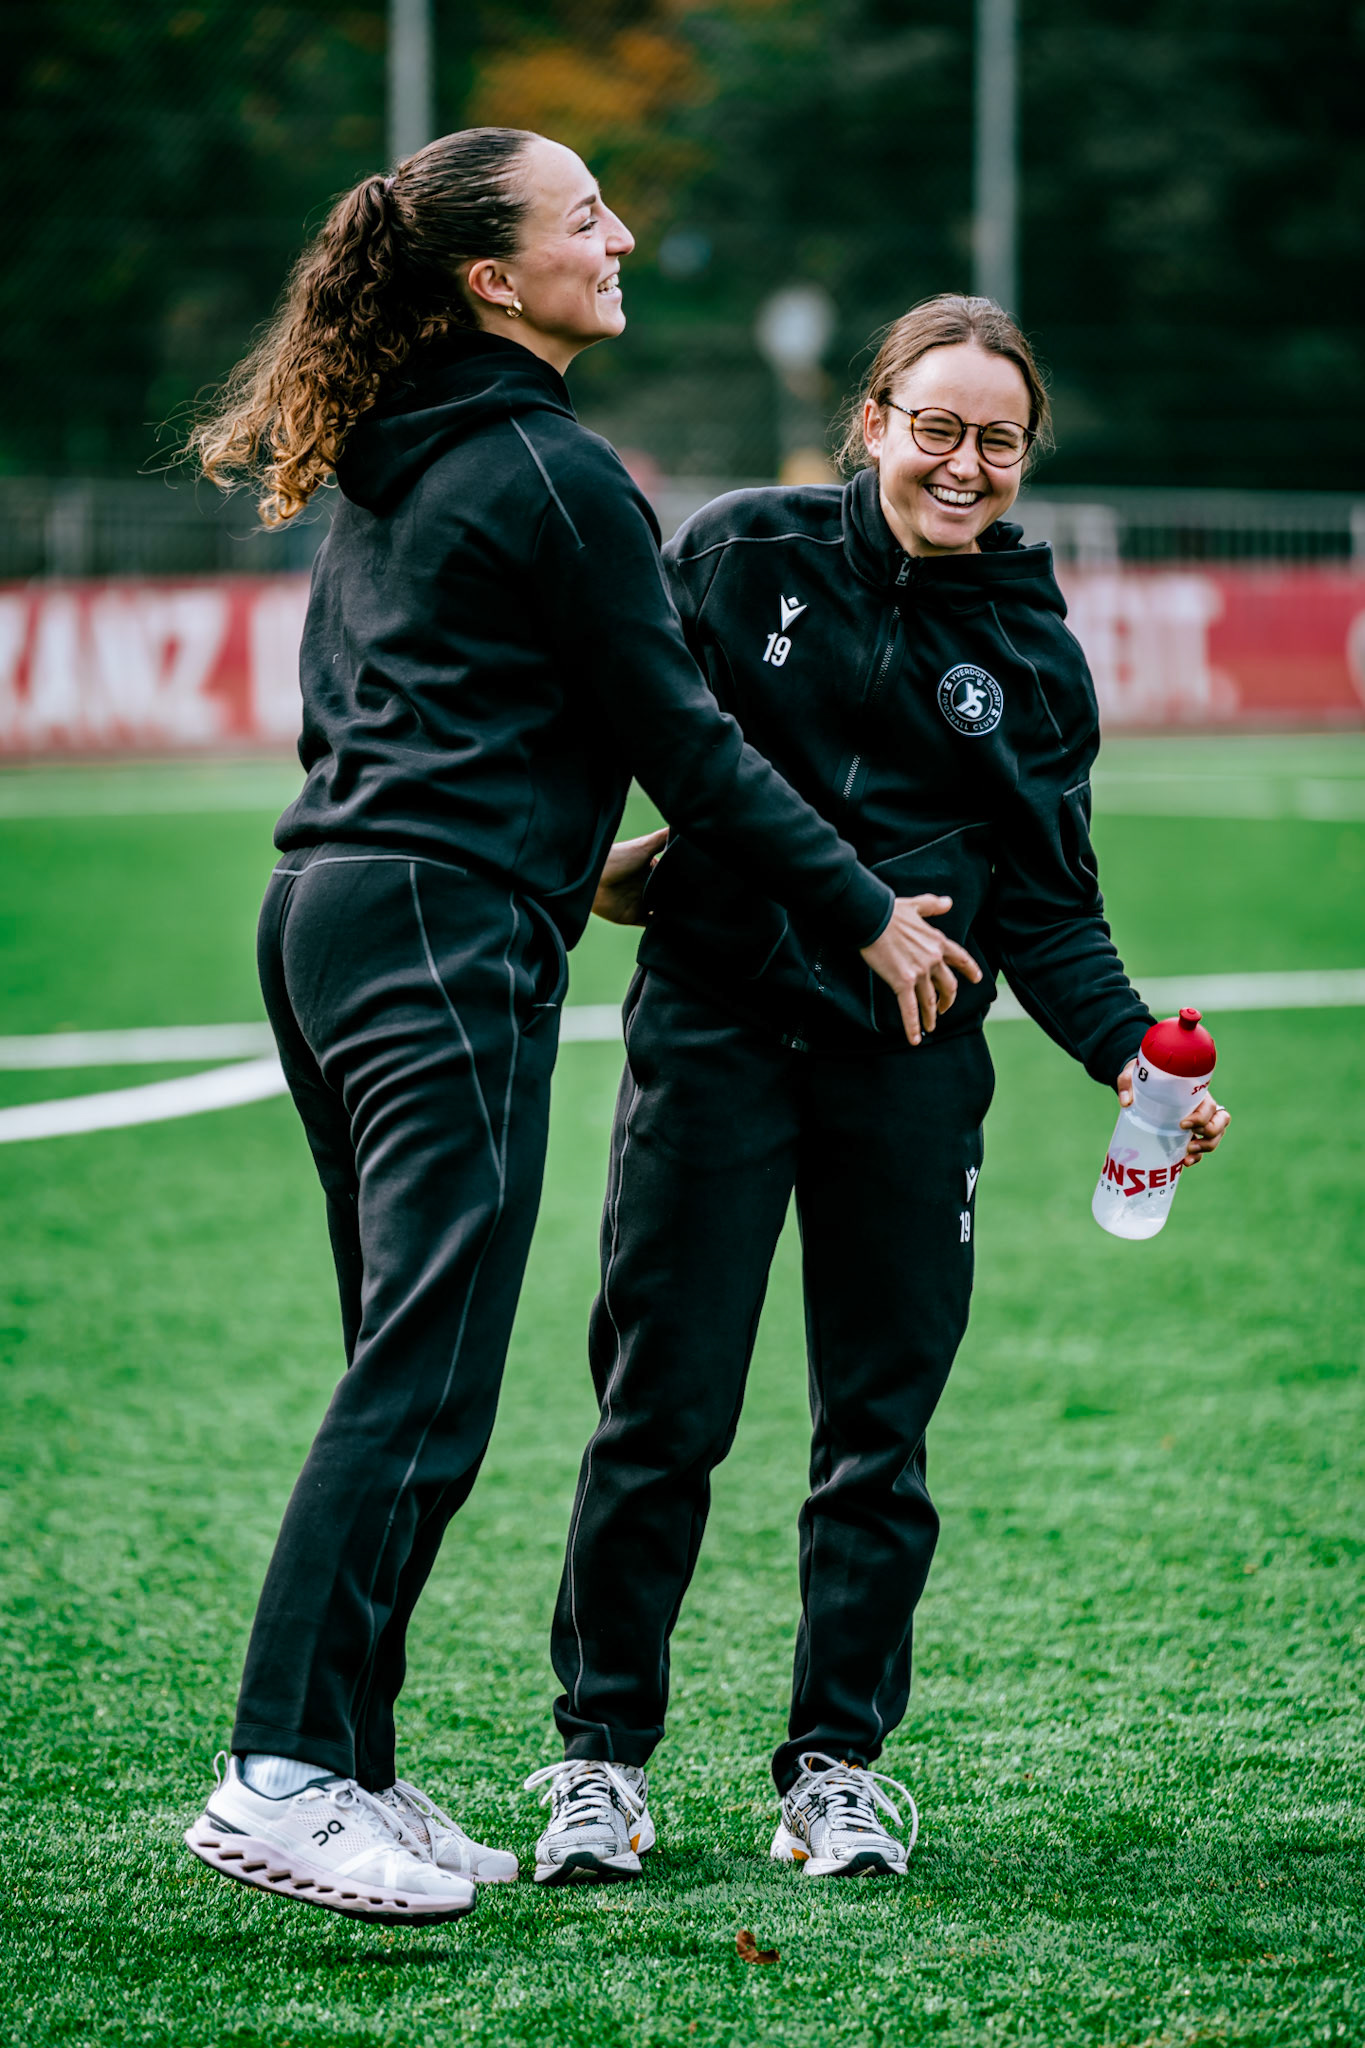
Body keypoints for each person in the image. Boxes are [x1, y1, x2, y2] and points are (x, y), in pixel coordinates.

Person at [178, 129, 961, 1927]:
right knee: (425, 1369)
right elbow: (693, 737)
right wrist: (862, 911)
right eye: (580, 217)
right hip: (442, 936)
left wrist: (577, 858)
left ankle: (354, 1765)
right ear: (489, 281)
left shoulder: (404, 451)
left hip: (337, 915)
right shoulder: (548, 468)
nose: (619, 235)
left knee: (408, 1346)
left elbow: (458, 711)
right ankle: (282, 1774)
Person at [526, 294, 1231, 1885]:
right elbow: (615, 736)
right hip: (710, 1039)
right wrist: (605, 872)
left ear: (1025, 453)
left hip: (910, 1079)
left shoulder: (1032, 652)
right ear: (871, 422)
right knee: (660, 1412)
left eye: (996, 438)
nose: (963, 463)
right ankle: (598, 1765)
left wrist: (1129, 1054)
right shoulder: (735, 554)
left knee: (877, 1438)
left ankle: (833, 1769)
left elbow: (1047, 905)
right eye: (935, 427)